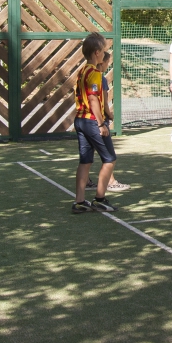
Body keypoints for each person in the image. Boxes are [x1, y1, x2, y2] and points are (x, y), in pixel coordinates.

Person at [72, 32, 117, 213]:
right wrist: (101, 123)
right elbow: (92, 99)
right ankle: (100, 198)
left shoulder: (81, 71)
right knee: (109, 159)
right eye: (104, 50)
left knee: (85, 161)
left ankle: (79, 201)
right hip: (91, 121)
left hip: (80, 120)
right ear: (97, 52)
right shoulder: (95, 73)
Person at [86, 51, 129, 193]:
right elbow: (102, 100)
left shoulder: (84, 73)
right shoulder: (100, 77)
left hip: (84, 121)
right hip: (96, 121)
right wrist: (108, 115)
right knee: (109, 157)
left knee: (87, 155)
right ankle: (110, 182)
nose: (108, 65)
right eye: (108, 62)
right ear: (101, 62)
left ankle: (85, 180)